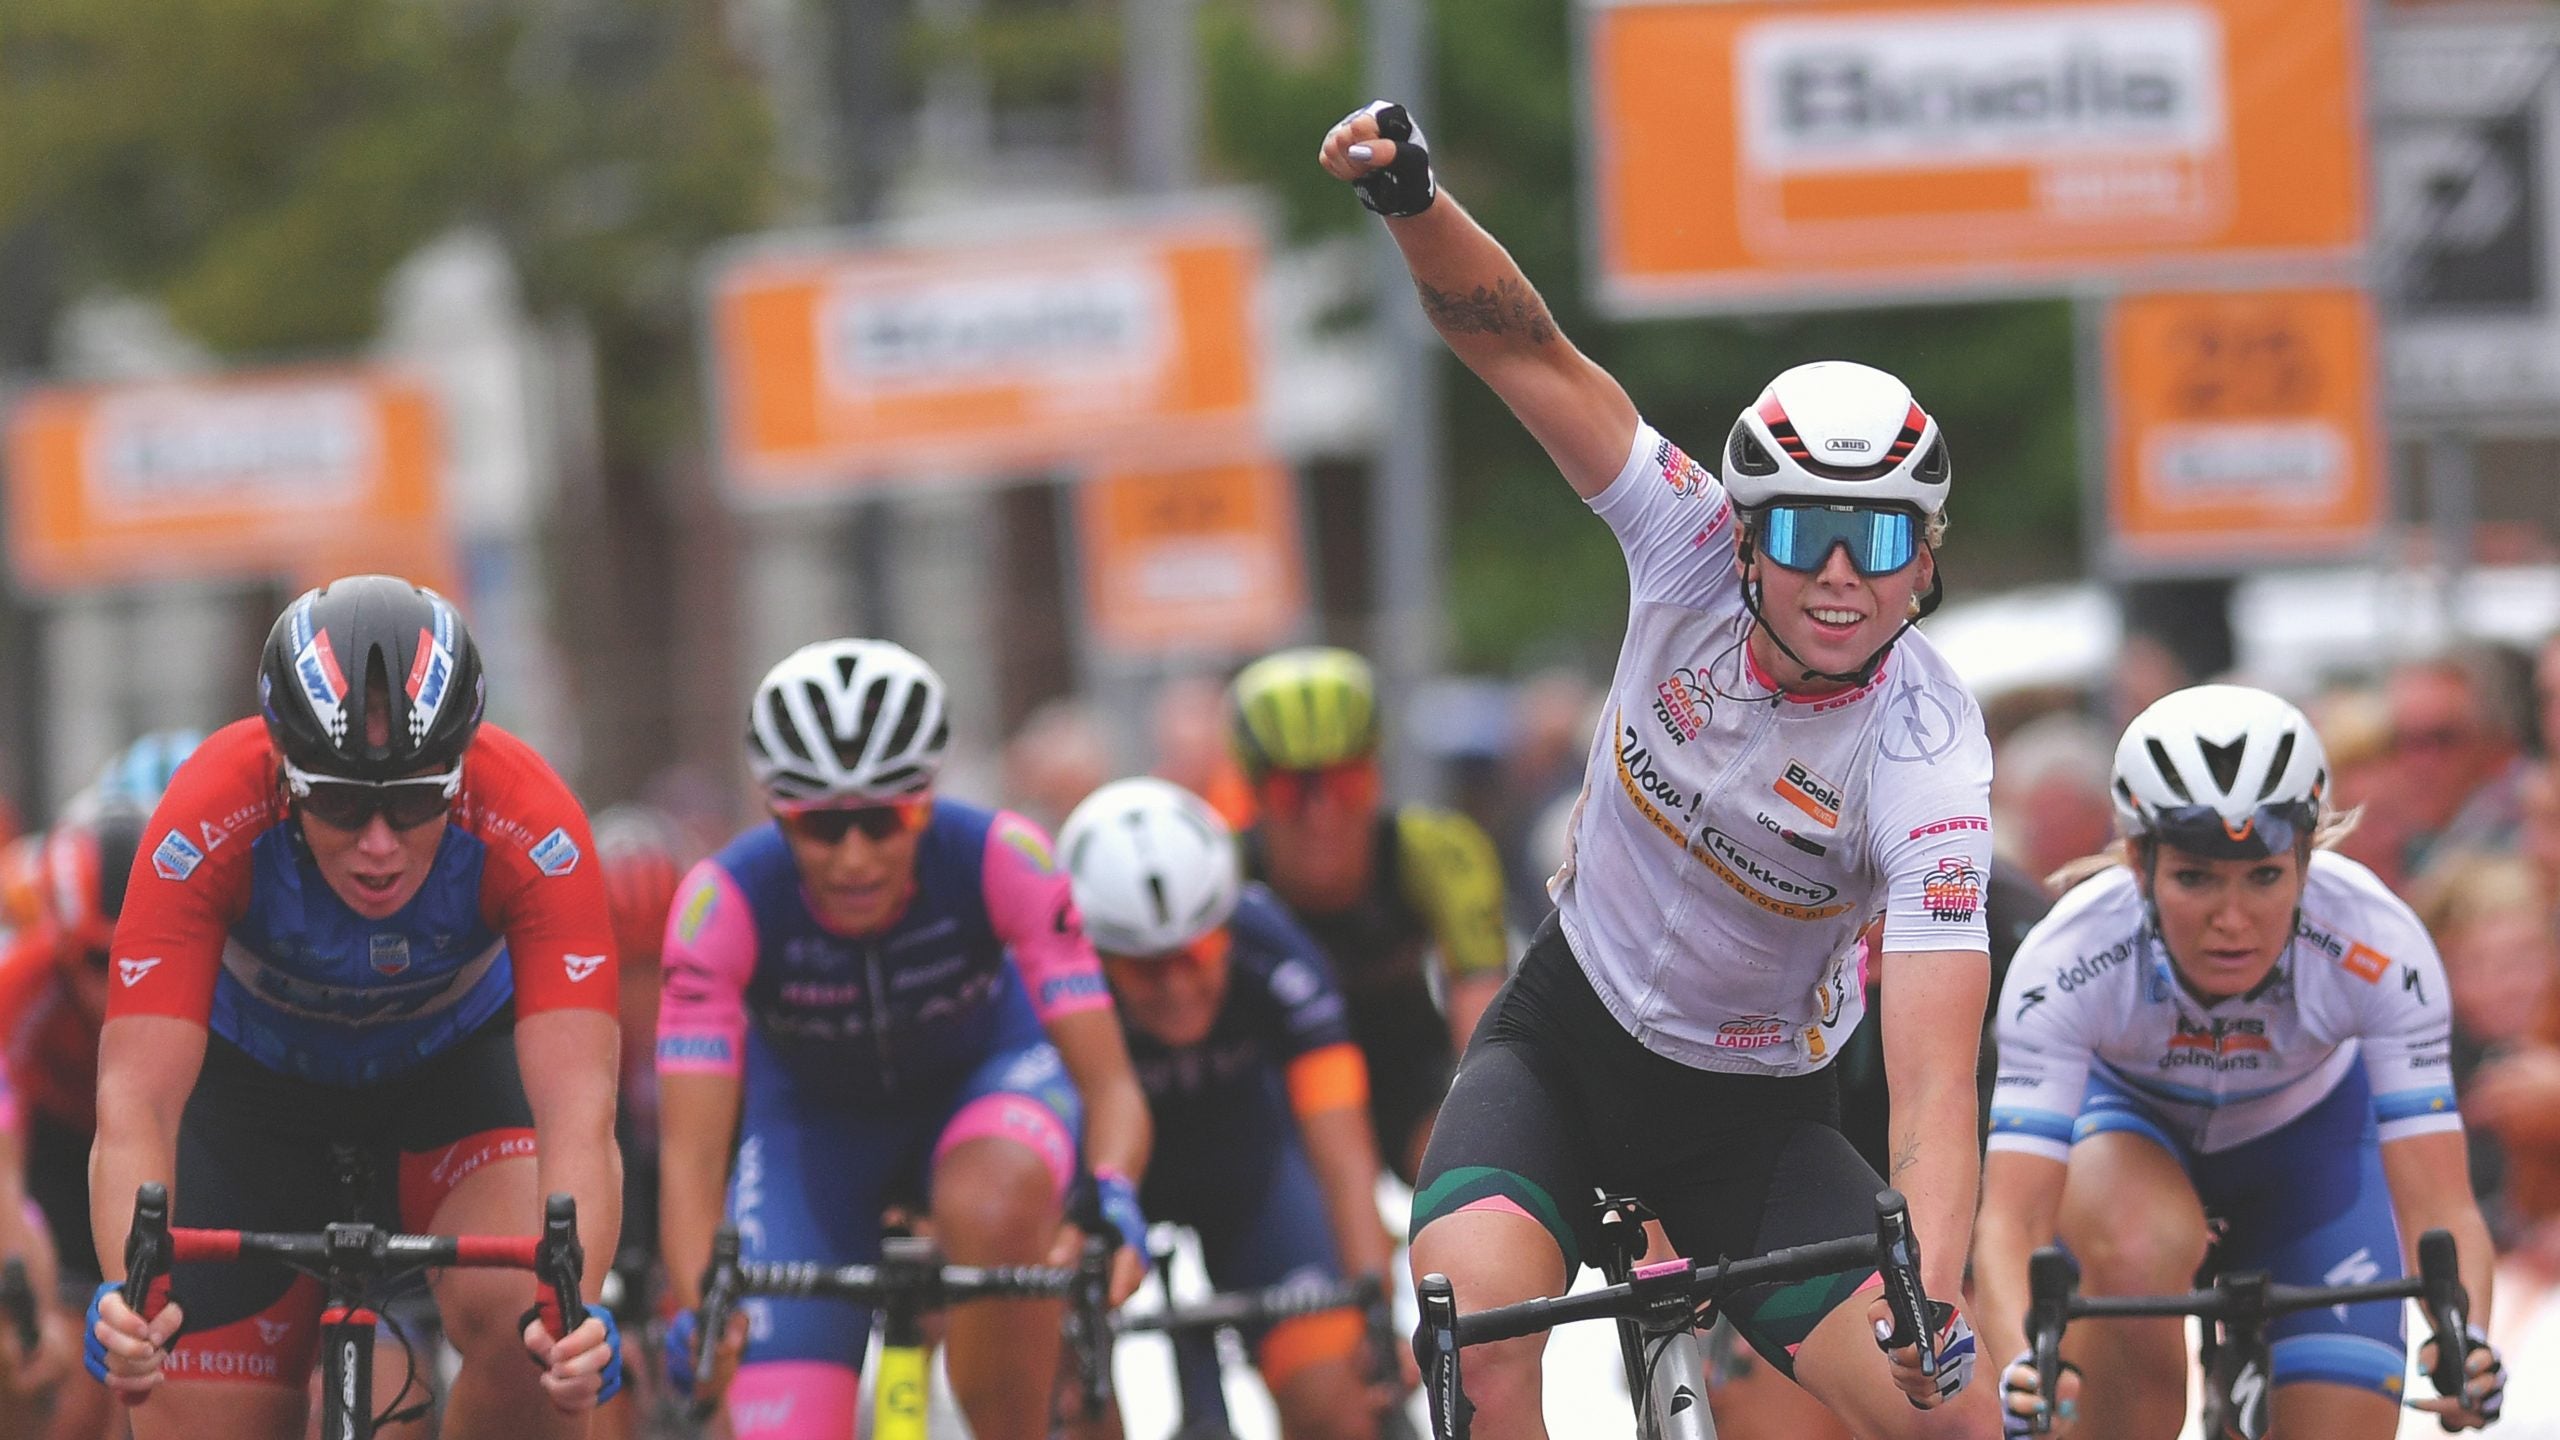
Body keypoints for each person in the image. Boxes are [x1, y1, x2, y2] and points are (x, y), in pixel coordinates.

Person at [1321, 103, 1992, 1436]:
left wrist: (1930, 1294)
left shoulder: (1928, 756)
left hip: (1752, 1118)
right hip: (1562, 1051)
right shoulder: (1678, 535)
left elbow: (1930, 1081)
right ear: (1743, 537)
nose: (1840, 576)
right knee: (1472, 1340)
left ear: (1925, 562)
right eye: (1803, 533)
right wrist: (1412, 202)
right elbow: (1522, 347)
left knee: (1948, 1418)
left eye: (1879, 540)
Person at [86, 575, 625, 1434]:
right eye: (338, 802)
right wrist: (129, 1294)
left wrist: (576, 1309)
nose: (378, 844)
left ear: (460, 769)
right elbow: (135, 1099)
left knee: (536, 1337)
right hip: (252, 1098)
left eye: (414, 800)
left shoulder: (533, 822)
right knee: (168, 1386)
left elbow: (579, 1112)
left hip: (453, 1079)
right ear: (284, 773)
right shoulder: (208, 812)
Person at [1974, 684, 2505, 1438]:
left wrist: (2464, 1340)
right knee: (2142, 1245)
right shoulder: (2068, 957)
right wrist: (2019, 1364)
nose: (2232, 919)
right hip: (2128, 1139)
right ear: (2138, 862)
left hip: (2309, 1161)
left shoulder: (2379, 944)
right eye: (2195, 878)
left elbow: (2442, 1204)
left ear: (2307, 859)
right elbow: (2011, 1218)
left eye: (2264, 876)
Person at [655, 639, 1152, 1440]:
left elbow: (1111, 1085)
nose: (855, 858)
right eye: (822, 828)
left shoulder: (1004, 857)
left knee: (992, 1202)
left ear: (924, 802)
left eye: (884, 821)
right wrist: (701, 1307)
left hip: (985, 1089)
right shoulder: (723, 903)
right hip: (813, 1138)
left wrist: (1114, 1196)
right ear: (777, 814)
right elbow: (692, 1156)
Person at [1058, 778, 1399, 1440]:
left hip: (1251, 1182)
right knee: (1073, 1405)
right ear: (1096, 954)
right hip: (1102, 1192)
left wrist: (1378, 1322)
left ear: (1225, 926)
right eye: (1144, 968)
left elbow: (1345, 1162)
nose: (1177, 985)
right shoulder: (1057, 978)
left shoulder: (1274, 947)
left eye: (1197, 954)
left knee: (1337, 1406)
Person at [1225, 647, 1510, 1185]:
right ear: (1253, 792)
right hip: (1277, 1095)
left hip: (1410, 1080)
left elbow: (1485, 1030)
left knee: (1475, 1168)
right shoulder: (1222, 873)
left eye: (1345, 781)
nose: (1322, 814)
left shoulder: (1437, 852)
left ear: (1377, 775)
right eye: (1291, 790)